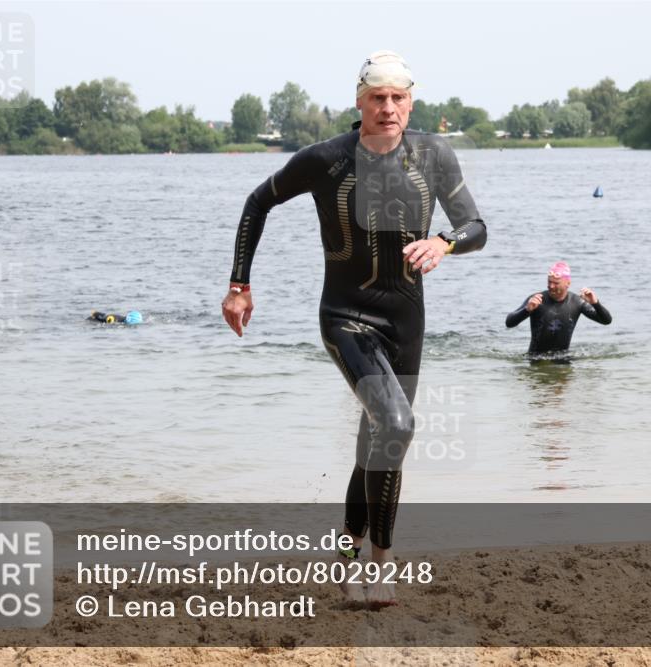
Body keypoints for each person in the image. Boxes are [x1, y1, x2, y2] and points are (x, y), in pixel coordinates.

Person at [221, 51, 487, 606]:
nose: (388, 108)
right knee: (396, 421)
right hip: (345, 316)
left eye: (398, 97)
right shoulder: (326, 160)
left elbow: (476, 226)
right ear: (359, 101)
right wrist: (239, 284)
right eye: (377, 98)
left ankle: (348, 553)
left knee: (379, 440)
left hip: (406, 322)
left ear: (411, 101)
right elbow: (257, 202)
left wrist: (445, 242)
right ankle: (381, 567)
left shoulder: (434, 155)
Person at [505, 262, 611, 355]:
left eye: (556, 283)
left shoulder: (577, 302)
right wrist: (527, 310)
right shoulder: (536, 300)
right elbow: (509, 323)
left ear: (567, 283)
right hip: (536, 359)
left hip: (563, 360)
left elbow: (606, 321)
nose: (551, 286)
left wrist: (595, 303)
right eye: (549, 281)